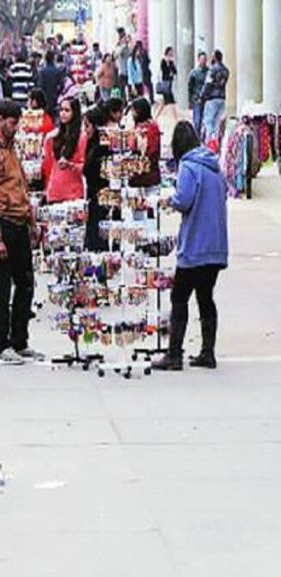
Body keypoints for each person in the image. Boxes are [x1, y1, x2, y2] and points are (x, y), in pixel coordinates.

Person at [153, 121, 228, 371]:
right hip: (216, 245)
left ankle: (174, 354)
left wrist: (169, 200)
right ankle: (208, 352)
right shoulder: (213, 165)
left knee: (179, 296)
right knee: (206, 297)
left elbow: (184, 200)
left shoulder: (188, 165)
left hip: (196, 244)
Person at [0, 99, 38, 365]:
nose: (16, 127)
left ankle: (20, 341)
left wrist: (32, 222)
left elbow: (22, 185)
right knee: (1, 291)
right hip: (1, 226)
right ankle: (2, 345)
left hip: (20, 223)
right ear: (0, 120)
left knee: (26, 284)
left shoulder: (12, 149)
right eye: (12, 123)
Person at [42, 96, 86, 203]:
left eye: (67, 110)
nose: (63, 113)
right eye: (61, 110)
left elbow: (85, 166)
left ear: (74, 112)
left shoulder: (82, 137)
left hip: (74, 194)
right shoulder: (52, 137)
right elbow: (47, 166)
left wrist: (70, 165)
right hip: (54, 192)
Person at [83, 106, 110, 252]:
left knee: (97, 239)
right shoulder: (91, 144)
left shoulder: (102, 147)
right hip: (93, 198)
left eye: (87, 126)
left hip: (101, 198)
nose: (85, 130)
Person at [129, 97, 161, 188]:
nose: (132, 113)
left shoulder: (151, 129)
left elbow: (151, 151)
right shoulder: (139, 127)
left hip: (148, 175)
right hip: (140, 174)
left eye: (133, 111)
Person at [200, 50, 229, 144]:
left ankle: (209, 143)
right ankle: (216, 143)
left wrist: (202, 96)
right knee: (217, 124)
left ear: (215, 57)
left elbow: (208, 83)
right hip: (222, 98)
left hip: (212, 98)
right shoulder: (226, 70)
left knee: (209, 122)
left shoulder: (212, 69)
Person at [37, 50, 64, 116]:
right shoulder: (57, 71)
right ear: (53, 59)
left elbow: (40, 85)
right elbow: (61, 85)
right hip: (55, 98)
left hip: (44, 99)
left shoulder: (42, 72)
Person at [188, 51, 209, 137]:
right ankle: (197, 137)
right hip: (196, 99)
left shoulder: (209, 72)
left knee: (206, 121)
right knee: (197, 121)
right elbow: (190, 87)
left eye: (204, 59)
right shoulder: (194, 73)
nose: (203, 61)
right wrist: (190, 100)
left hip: (206, 99)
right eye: (201, 59)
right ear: (198, 60)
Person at [158, 47, 177, 111]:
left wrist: (173, 73)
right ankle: (173, 116)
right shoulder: (163, 61)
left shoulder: (171, 61)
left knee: (167, 102)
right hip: (165, 81)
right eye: (170, 52)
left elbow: (175, 71)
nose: (171, 53)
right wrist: (168, 66)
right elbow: (163, 70)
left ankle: (173, 116)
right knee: (168, 101)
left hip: (170, 81)